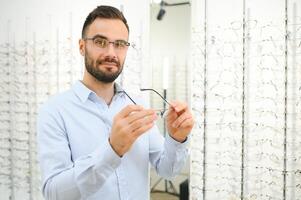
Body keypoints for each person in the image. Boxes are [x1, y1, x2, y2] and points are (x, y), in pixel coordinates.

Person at [37, 5, 194, 200]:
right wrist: (112, 150)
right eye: (100, 42)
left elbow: (167, 170)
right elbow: (54, 193)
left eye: (119, 44)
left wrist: (176, 139)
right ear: (82, 46)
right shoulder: (55, 111)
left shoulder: (138, 104)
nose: (111, 52)